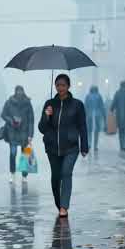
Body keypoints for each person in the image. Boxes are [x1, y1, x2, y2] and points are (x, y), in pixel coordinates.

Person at [38, 74, 88, 217]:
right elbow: (42, 128)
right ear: (55, 86)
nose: (60, 88)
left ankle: (64, 207)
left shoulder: (77, 105)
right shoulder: (49, 104)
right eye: (58, 85)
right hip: (53, 148)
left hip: (71, 147)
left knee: (66, 173)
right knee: (55, 178)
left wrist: (84, 146)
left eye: (63, 85)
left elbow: (82, 126)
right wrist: (47, 115)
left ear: (68, 86)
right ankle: (59, 204)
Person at [1, 85, 34, 183]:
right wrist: (11, 121)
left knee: (25, 155)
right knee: (13, 153)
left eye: (21, 91)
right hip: (13, 133)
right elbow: (3, 114)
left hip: (24, 133)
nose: (19, 93)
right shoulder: (9, 102)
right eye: (18, 91)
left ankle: (24, 176)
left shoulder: (28, 104)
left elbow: (31, 120)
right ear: (15, 92)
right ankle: (12, 174)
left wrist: (30, 135)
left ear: (23, 92)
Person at [84, 86, 106, 152]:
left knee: (89, 131)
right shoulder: (99, 96)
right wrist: (104, 116)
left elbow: (85, 107)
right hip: (97, 115)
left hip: (89, 115)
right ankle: (95, 145)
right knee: (96, 131)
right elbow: (102, 107)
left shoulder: (88, 96)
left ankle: (89, 143)